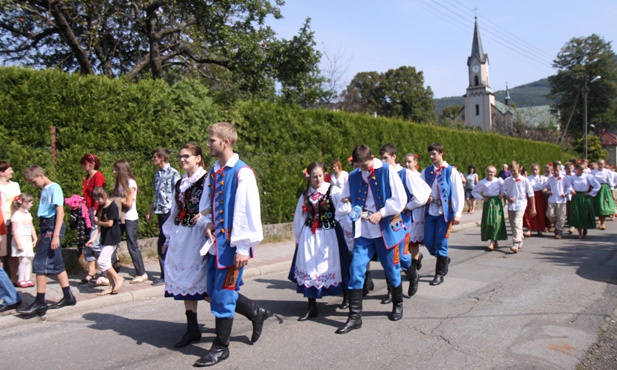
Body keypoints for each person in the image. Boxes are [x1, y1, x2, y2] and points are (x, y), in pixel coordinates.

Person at [194, 122, 270, 367]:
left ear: (225, 143)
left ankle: (221, 347)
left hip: (233, 247)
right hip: (216, 245)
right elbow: (207, 205)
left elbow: (248, 212)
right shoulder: (215, 171)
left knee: (224, 295)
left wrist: (242, 247)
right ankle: (256, 312)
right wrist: (206, 222)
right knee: (213, 292)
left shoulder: (242, 172)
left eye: (212, 140)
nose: (208, 144)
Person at [336, 144, 407, 335]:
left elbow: (400, 200)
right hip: (363, 231)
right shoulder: (353, 176)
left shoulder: (387, 171)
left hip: (384, 229)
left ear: (372, 158)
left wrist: (381, 213)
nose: (363, 170)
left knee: (392, 270)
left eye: (365, 166)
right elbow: (345, 197)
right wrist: (348, 203)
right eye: (359, 167)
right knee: (356, 270)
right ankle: (354, 317)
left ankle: (397, 303)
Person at [160, 143, 210, 348]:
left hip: (198, 235)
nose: (182, 159)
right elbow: (174, 212)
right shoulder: (180, 183)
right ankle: (192, 328)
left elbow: (213, 207)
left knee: (202, 285)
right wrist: (169, 238)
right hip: (181, 237)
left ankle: (249, 310)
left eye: (187, 156)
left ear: (198, 158)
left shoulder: (207, 180)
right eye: (180, 156)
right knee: (185, 283)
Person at [289, 161, 351, 321]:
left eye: (320, 176)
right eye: (314, 176)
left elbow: (345, 210)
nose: (318, 179)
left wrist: (345, 230)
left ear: (324, 175)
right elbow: (299, 217)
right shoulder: (305, 195)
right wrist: (298, 237)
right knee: (310, 268)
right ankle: (312, 305)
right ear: (309, 177)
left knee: (334, 265)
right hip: (309, 236)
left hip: (330, 236)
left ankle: (346, 296)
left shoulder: (334, 191)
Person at [17, 165, 76, 316]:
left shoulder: (54, 188)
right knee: (56, 262)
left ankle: (40, 301)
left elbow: (60, 211)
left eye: (33, 181)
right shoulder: (45, 189)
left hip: (52, 226)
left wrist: (55, 235)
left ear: (41, 175)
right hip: (47, 227)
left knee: (40, 262)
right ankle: (68, 296)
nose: (33, 185)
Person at [380, 144, 430, 299]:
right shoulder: (381, 173)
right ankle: (392, 291)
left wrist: (407, 206)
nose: (383, 161)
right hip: (386, 220)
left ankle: (413, 275)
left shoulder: (406, 174)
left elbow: (424, 194)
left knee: (401, 255)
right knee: (388, 256)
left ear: (394, 157)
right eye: (381, 158)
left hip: (402, 220)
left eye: (386, 158)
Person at [421, 142, 464, 286]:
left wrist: (458, 213)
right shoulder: (426, 171)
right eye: (430, 154)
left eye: (434, 154)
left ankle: (439, 274)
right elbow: (419, 188)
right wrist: (425, 198)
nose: (432, 157)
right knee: (427, 241)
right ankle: (443, 258)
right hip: (430, 211)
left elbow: (458, 192)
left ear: (441, 153)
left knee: (441, 242)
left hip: (445, 213)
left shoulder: (450, 171)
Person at [146, 148, 181, 286]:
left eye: (155, 157)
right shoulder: (158, 174)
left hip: (169, 211)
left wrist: (177, 213)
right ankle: (165, 273)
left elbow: (178, 194)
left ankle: (168, 274)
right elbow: (157, 195)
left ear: (162, 158)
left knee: (166, 241)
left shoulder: (174, 174)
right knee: (163, 240)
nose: (153, 159)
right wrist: (150, 210)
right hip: (160, 211)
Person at [112, 160, 148, 283]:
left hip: (130, 218)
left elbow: (128, 202)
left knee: (132, 245)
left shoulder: (130, 183)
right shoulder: (118, 183)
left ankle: (141, 273)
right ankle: (114, 266)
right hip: (120, 217)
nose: (114, 172)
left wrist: (118, 199)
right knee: (113, 241)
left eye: (116, 170)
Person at [86, 187, 124, 295]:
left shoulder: (113, 207)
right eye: (96, 200)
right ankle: (111, 286)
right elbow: (99, 228)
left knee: (102, 261)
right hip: (105, 238)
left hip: (112, 237)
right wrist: (92, 239)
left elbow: (109, 224)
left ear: (105, 195)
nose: (97, 202)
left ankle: (118, 278)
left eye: (99, 199)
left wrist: (98, 223)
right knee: (106, 263)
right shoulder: (101, 207)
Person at [79, 153, 106, 284]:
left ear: (92, 163)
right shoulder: (87, 177)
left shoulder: (98, 176)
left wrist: (95, 211)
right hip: (86, 210)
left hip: (93, 210)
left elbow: (99, 194)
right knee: (87, 241)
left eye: (85, 164)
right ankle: (91, 270)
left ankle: (106, 269)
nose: (83, 166)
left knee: (94, 241)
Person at [404, 153, 428, 290]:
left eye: (409, 162)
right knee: (406, 243)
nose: (407, 164)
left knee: (413, 242)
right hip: (405, 211)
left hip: (416, 211)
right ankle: (416, 258)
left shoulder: (420, 177)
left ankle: (413, 265)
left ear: (415, 163)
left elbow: (424, 194)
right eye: (405, 162)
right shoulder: (403, 176)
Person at [501, 161, 536, 253]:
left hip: (521, 204)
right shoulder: (507, 181)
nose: (513, 172)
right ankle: (520, 237)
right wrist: (508, 198)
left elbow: (531, 194)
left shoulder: (525, 180)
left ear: (520, 169)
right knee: (513, 224)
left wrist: (533, 207)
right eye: (511, 171)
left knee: (517, 221)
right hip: (511, 205)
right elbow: (504, 192)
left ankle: (516, 243)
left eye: (514, 171)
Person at [472, 166, 507, 251]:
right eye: (488, 172)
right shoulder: (482, 182)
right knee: (489, 222)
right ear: (486, 172)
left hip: (496, 202)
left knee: (496, 221)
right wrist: (481, 198)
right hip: (488, 202)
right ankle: (493, 240)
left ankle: (493, 241)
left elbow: (505, 188)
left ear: (495, 173)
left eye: (492, 172)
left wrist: (502, 194)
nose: (490, 173)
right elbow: (474, 191)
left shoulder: (499, 181)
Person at [0, 161, 22, 284]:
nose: (12, 172)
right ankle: (2, 282)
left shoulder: (15, 185)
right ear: (1, 173)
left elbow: (19, 201)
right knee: (2, 253)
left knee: (14, 252)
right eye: (9, 170)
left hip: (14, 221)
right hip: (1, 223)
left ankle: (14, 280)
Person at [10, 194, 37, 288]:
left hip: (27, 238)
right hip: (20, 238)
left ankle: (27, 278)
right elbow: (14, 231)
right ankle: (21, 279)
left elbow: (31, 226)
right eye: (30, 203)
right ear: (24, 203)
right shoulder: (16, 215)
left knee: (28, 259)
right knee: (24, 259)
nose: (32, 205)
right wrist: (18, 243)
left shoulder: (27, 214)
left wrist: (35, 238)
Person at [567, 163, 600, 238]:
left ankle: (584, 227)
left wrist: (590, 193)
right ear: (577, 169)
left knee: (584, 213)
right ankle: (580, 233)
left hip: (584, 197)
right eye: (580, 169)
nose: (582, 170)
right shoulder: (572, 177)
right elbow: (568, 185)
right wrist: (571, 190)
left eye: (583, 169)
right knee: (577, 214)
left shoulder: (588, 176)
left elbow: (597, 185)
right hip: (576, 196)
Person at [544, 163, 570, 239]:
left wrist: (565, 193)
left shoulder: (564, 178)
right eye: (554, 170)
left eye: (557, 170)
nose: (555, 172)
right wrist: (548, 191)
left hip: (561, 200)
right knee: (549, 214)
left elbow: (568, 187)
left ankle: (559, 231)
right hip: (552, 199)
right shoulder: (550, 179)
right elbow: (545, 186)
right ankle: (556, 223)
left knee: (561, 216)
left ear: (560, 170)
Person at [523, 164, 548, 237]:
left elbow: (547, 186)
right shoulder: (528, 178)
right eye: (533, 169)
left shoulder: (542, 178)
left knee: (540, 212)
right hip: (531, 196)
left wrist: (546, 189)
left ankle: (540, 229)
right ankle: (529, 229)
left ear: (539, 170)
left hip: (540, 196)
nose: (534, 171)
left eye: (536, 169)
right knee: (529, 212)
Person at [591, 159, 616, 230]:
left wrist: (612, 191)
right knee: (598, 206)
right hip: (596, 189)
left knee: (603, 206)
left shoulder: (607, 172)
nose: (600, 166)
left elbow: (610, 182)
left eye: (601, 164)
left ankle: (603, 223)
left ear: (604, 164)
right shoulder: (593, 172)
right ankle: (599, 220)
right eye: (599, 164)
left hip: (604, 189)